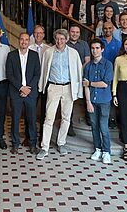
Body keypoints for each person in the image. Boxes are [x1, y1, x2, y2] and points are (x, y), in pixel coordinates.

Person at [37, 29, 83, 160]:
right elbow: (43, 70)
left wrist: (78, 90)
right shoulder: (48, 52)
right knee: (48, 118)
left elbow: (79, 71)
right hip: (53, 87)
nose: (59, 41)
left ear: (66, 39)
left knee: (66, 117)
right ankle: (44, 147)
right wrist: (42, 87)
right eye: (57, 39)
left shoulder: (73, 53)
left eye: (62, 39)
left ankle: (61, 143)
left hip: (68, 87)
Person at [6, 32, 41, 154]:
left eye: (26, 40)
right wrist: (21, 88)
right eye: (22, 39)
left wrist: (28, 89)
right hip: (16, 93)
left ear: (29, 42)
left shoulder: (34, 55)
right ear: (18, 41)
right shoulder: (11, 55)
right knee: (15, 119)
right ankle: (15, 144)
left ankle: (32, 144)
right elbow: (9, 75)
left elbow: (37, 74)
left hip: (31, 93)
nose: (24, 42)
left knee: (31, 120)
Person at [83, 39, 114, 164]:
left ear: (102, 49)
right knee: (94, 126)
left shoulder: (108, 64)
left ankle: (106, 151)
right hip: (92, 101)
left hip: (104, 100)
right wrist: (88, 102)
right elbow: (85, 86)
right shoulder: (88, 66)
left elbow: (105, 84)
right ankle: (98, 149)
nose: (94, 50)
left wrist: (90, 83)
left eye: (97, 48)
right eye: (92, 48)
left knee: (103, 126)